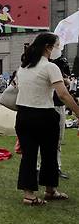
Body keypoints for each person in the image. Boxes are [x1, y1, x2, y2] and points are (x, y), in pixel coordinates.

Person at [14, 32, 79, 206]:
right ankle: (50, 190)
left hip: (23, 116)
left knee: (28, 155)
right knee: (49, 154)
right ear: (48, 48)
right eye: (57, 46)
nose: (58, 49)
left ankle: (29, 194)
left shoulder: (23, 68)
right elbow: (63, 95)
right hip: (44, 115)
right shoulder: (50, 67)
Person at [51, 56, 72, 180]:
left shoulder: (62, 73)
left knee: (58, 139)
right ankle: (38, 168)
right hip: (49, 106)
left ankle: (57, 167)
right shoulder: (49, 68)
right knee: (44, 140)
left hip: (60, 106)